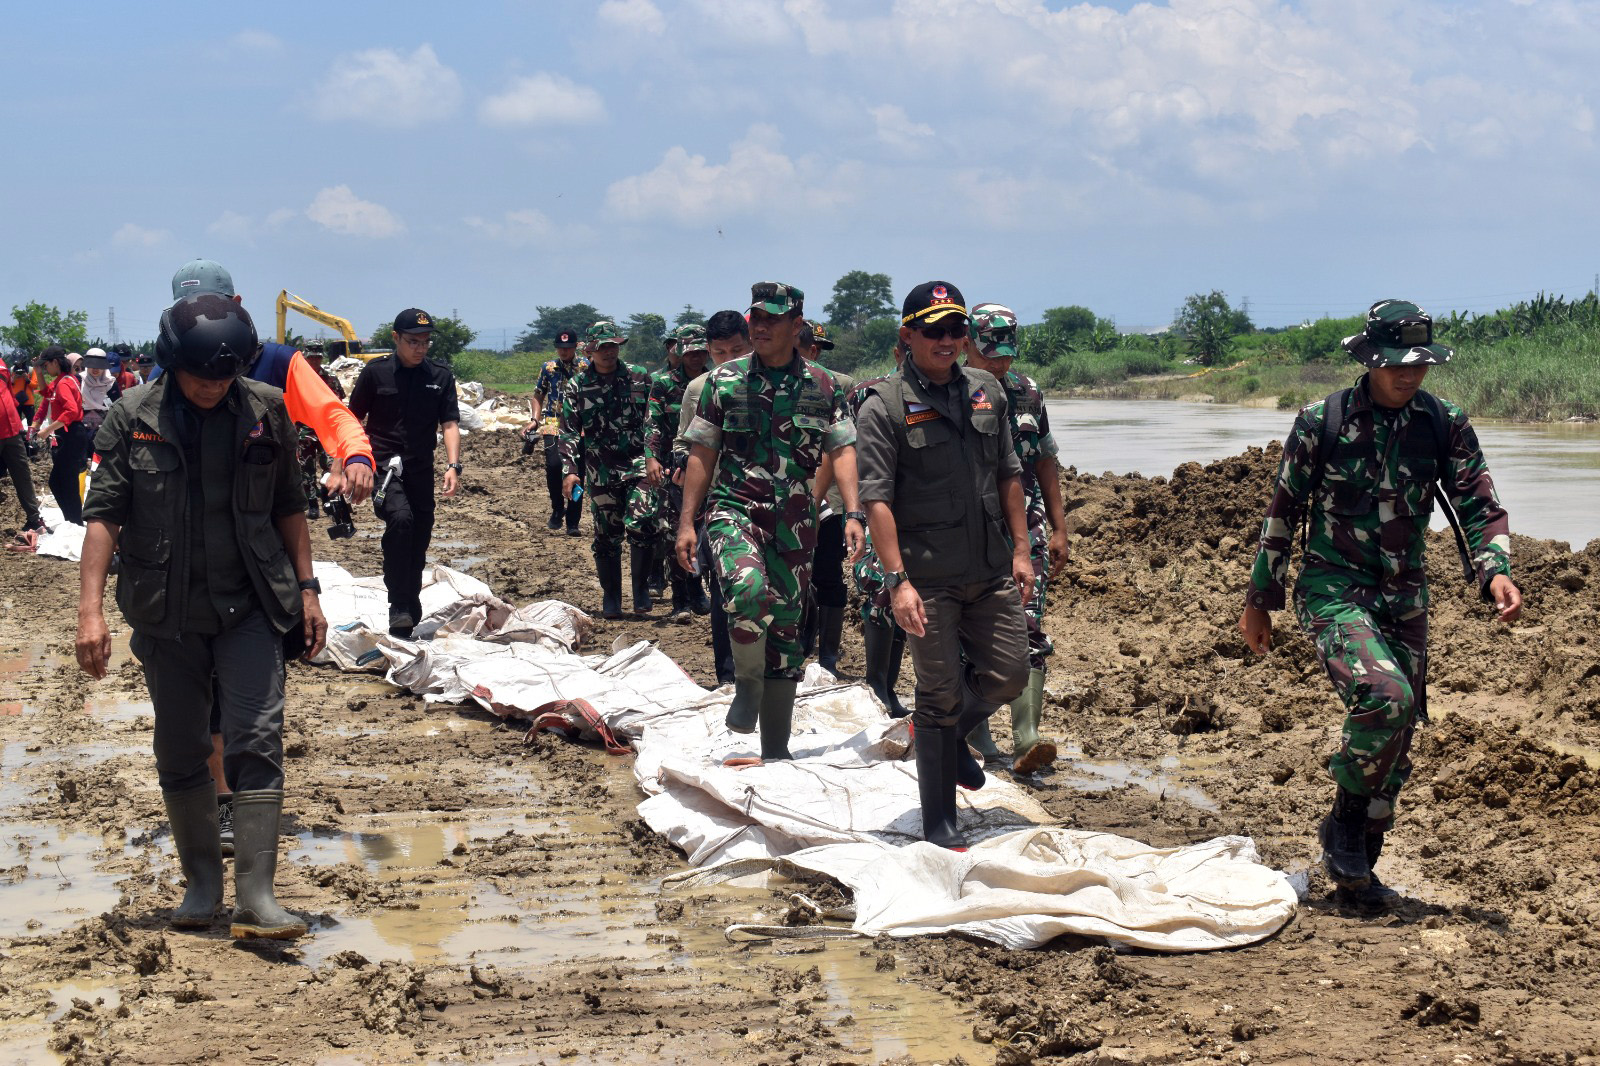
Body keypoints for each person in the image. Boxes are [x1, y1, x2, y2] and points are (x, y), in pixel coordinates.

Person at [1239, 298, 1522, 904]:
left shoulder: (1442, 422)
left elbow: (1478, 501)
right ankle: (1344, 819)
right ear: (1370, 359)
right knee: (1385, 697)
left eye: (1419, 364)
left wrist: (1495, 570)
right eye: (1396, 363)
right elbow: (1284, 509)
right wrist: (1261, 599)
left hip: (1406, 595)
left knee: (1399, 738)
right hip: (1334, 586)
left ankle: (1359, 870)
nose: (1409, 374)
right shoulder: (1325, 420)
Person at [75, 293, 327, 940]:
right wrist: (90, 612)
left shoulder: (265, 410)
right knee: (182, 746)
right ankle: (200, 888)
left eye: (224, 377)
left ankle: (257, 897)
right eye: (200, 378)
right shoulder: (133, 417)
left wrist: (308, 589)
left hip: (251, 604)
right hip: (168, 612)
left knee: (255, 738)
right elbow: (104, 515)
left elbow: (289, 507)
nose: (214, 388)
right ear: (172, 365)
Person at [854, 281, 1032, 850]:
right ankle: (940, 823)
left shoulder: (987, 392)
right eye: (935, 330)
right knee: (937, 691)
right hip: (926, 577)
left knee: (1010, 673)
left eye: (957, 329)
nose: (949, 340)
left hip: (988, 566)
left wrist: (1023, 548)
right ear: (907, 335)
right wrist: (896, 579)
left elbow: (1009, 474)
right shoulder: (883, 405)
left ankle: (949, 732)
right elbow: (876, 498)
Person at [677, 282, 865, 764]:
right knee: (747, 592)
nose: (759, 326)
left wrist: (853, 511)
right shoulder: (723, 382)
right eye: (755, 317)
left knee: (786, 633)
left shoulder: (825, 386)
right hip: (733, 509)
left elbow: (842, 449)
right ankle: (745, 686)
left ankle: (776, 754)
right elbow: (703, 452)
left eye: (772, 319)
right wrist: (686, 523)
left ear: (795, 325)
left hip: (796, 522)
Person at [162, 261, 375, 506]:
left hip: (261, 511)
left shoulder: (279, 363)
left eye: (208, 308)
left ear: (237, 304)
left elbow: (334, 415)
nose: (198, 319)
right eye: (187, 311)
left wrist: (357, 455)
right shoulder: (167, 370)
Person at [962, 304, 1070, 773]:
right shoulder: (952, 393)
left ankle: (1026, 736)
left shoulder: (1028, 393)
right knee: (972, 632)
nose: (999, 364)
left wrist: (1060, 526)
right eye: (990, 355)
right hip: (970, 530)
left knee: (1028, 624)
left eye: (1006, 355)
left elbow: (1045, 461)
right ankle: (977, 734)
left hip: (1028, 527)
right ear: (967, 343)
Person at [348, 309, 462, 637]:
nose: (420, 348)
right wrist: (343, 465)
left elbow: (450, 423)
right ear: (396, 338)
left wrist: (453, 465)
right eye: (413, 341)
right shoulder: (375, 373)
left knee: (419, 536)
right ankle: (399, 604)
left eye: (426, 342)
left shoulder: (440, 375)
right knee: (400, 521)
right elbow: (351, 420)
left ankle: (408, 603)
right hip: (382, 468)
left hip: (421, 468)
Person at [673, 310, 753, 684]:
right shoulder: (701, 389)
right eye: (720, 353)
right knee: (725, 589)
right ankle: (728, 675)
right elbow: (688, 442)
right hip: (721, 502)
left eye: (737, 349)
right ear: (708, 351)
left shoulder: (771, 383)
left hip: (772, 504)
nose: (730, 359)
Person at [559, 320, 655, 619]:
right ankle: (611, 595)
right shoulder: (577, 385)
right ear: (590, 350)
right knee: (607, 535)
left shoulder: (639, 377)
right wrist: (570, 470)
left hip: (638, 462)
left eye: (613, 346)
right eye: (602, 347)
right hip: (600, 468)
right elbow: (569, 431)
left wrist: (655, 457)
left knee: (642, 521)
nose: (608, 352)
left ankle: (640, 589)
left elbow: (654, 422)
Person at [797, 320, 853, 674]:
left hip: (828, 499)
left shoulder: (839, 385)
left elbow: (844, 446)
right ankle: (798, 644)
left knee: (828, 572)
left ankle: (828, 654)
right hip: (783, 495)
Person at [646, 324, 711, 622]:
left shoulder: (717, 380)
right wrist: (651, 459)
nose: (696, 357)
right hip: (674, 468)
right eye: (691, 351)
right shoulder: (664, 383)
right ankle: (680, 597)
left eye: (701, 351)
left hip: (709, 467)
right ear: (681, 352)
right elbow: (654, 424)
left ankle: (698, 588)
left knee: (703, 530)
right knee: (675, 529)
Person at [530, 330, 587, 533]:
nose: (564, 351)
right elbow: (538, 395)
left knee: (577, 472)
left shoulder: (586, 367)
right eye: (561, 348)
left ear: (575, 348)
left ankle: (573, 522)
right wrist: (534, 420)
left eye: (568, 348)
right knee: (554, 466)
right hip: (553, 423)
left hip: (580, 425)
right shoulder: (549, 368)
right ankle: (557, 508)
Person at [30, 346, 89, 525]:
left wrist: (47, 430)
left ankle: (75, 522)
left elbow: (71, 411)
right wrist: (38, 373)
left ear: (55, 362)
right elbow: (47, 394)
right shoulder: (64, 380)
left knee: (64, 482)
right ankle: (71, 520)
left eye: (46, 365)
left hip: (71, 434)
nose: (46, 369)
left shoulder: (64, 383)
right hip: (69, 433)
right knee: (59, 481)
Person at [0, 354, 45, 540]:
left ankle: (34, 518)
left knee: (23, 475)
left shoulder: (2, 364)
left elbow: (8, 393)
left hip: (12, 429)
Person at [79, 348, 122, 442]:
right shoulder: (79, 379)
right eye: (92, 364)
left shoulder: (111, 383)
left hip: (105, 431)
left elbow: (116, 408)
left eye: (99, 365)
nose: (96, 368)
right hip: (81, 430)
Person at [8, 351, 38, 425]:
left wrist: (27, 379)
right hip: (16, 402)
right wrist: (12, 380)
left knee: (31, 424)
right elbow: (6, 387)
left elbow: (35, 385)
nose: (19, 365)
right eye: (17, 364)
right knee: (16, 423)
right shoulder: (11, 371)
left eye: (20, 363)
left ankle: (31, 436)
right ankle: (20, 436)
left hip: (28, 401)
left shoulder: (31, 370)